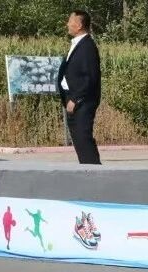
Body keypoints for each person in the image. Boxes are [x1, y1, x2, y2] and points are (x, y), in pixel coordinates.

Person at [57, 10, 101, 165]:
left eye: (70, 21)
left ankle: (94, 171)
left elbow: (90, 77)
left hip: (82, 102)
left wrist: (75, 99)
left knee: (83, 138)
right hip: (73, 99)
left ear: (80, 25)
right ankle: (88, 169)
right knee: (79, 140)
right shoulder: (78, 44)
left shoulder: (87, 46)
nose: (67, 24)